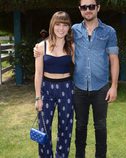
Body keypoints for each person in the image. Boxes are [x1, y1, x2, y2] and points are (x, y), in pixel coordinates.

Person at [72, 0, 119, 158]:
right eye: (84, 7)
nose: (88, 10)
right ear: (80, 10)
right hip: (79, 87)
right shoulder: (73, 30)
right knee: (80, 127)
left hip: (101, 88)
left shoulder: (109, 31)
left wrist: (114, 86)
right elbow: (56, 42)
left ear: (98, 8)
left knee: (100, 127)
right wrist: (39, 47)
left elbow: (114, 59)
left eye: (91, 6)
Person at [34, 11, 74, 158]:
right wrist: (38, 97)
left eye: (65, 25)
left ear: (69, 27)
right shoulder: (41, 46)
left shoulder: (72, 46)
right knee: (44, 129)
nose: (61, 28)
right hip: (46, 89)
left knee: (66, 128)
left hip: (67, 89)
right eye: (58, 24)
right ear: (52, 25)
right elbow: (38, 74)